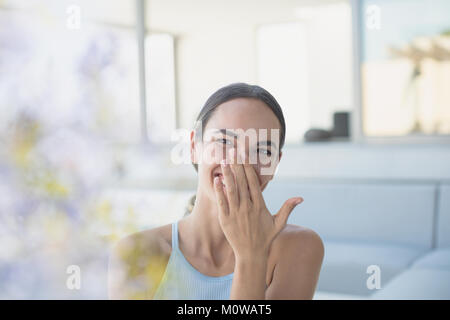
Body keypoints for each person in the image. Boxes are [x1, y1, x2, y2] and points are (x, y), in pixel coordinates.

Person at [108, 83, 324, 300]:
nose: (240, 162)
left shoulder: (298, 248)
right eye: (224, 141)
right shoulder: (138, 253)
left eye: (262, 150)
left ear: (275, 163)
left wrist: (250, 255)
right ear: (194, 147)